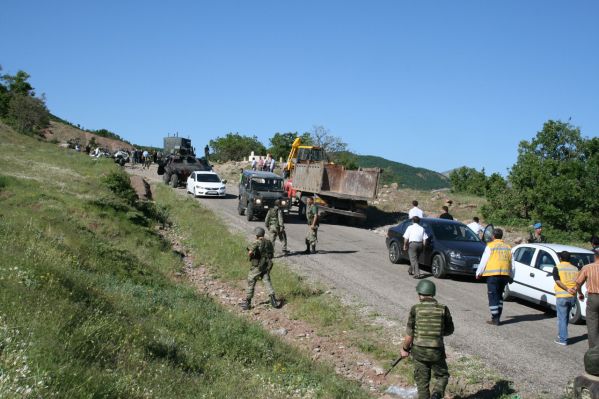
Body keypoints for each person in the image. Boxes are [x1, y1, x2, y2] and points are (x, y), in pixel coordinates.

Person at [400, 280, 454, 399]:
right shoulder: (443, 308)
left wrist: (404, 349)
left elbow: (409, 334)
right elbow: (450, 330)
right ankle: (436, 395)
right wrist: (437, 333)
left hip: (419, 351)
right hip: (437, 351)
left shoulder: (415, 309)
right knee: (442, 376)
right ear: (433, 293)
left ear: (420, 294)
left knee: (422, 382)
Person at [475, 228, 513, 325]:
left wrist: (478, 273)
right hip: (504, 276)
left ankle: (495, 318)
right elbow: (512, 263)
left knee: (493, 296)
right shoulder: (508, 247)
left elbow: (484, 260)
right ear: (501, 236)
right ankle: (498, 316)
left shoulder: (490, 246)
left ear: (493, 236)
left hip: (493, 276)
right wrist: (511, 276)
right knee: (499, 296)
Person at [240, 227, 281, 310]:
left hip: (258, 265)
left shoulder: (257, 242)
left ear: (257, 235)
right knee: (267, 281)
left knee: (251, 280)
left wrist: (251, 254)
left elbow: (250, 253)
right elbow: (271, 254)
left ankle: (248, 302)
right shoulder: (269, 242)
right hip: (266, 265)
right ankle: (273, 301)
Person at [553, 251, 581, 345]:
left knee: (562, 318)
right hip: (572, 297)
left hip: (562, 296)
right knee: (565, 318)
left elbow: (557, 281)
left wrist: (567, 289)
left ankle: (563, 339)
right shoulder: (575, 268)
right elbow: (579, 282)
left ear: (561, 258)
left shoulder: (557, 267)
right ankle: (561, 334)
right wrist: (574, 289)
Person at [576, 247, 599, 348]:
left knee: (592, 324)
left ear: (595, 256)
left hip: (593, 297)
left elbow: (578, 283)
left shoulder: (587, 267)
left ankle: (594, 351)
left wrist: (580, 293)